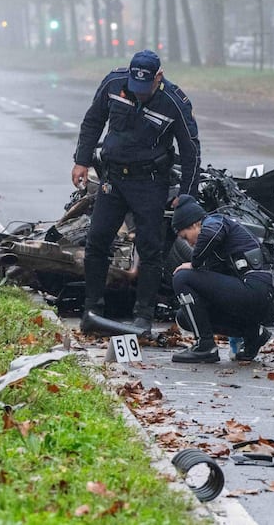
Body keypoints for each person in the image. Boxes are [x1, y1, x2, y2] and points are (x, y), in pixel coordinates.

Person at [72, 49, 200, 337]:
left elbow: (190, 150)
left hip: (150, 182)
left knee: (150, 248)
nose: (139, 93)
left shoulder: (174, 102)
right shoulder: (114, 84)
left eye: (146, 88)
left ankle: (143, 315)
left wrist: (188, 195)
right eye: (135, 87)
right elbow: (93, 121)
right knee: (97, 240)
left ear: (159, 77)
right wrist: (81, 160)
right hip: (113, 178)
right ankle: (92, 309)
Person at [169, 197, 274, 363]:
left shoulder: (215, 221)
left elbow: (212, 232)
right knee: (185, 316)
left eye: (185, 237)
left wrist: (194, 263)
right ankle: (253, 334)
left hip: (259, 289)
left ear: (194, 224)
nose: (188, 243)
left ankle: (205, 346)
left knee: (182, 277)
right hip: (256, 299)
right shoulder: (215, 250)